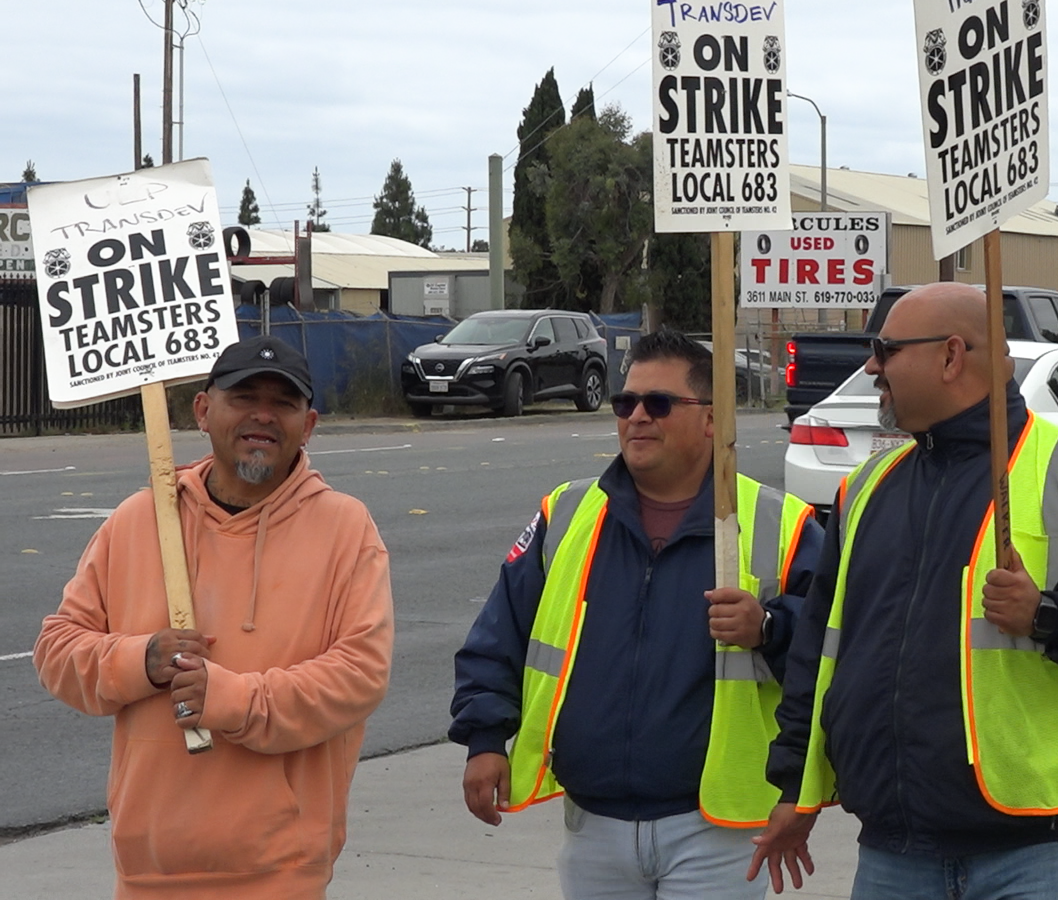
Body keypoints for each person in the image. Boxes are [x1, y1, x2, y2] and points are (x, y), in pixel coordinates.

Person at [750, 283, 1058, 899]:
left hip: (1034, 849)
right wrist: (793, 787)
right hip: (894, 846)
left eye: (885, 349)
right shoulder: (866, 489)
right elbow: (819, 652)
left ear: (951, 355)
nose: (872, 368)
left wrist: (1050, 615)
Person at [450, 328, 823, 899]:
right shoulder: (567, 513)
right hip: (593, 826)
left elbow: (831, 658)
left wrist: (768, 629)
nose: (637, 417)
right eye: (625, 403)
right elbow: (499, 634)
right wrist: (484, 738)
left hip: (716, 832)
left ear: (712, 419)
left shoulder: (781, 524)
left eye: (659, 403)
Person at [36, 337, 394, 898]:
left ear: (308, 425)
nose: (263, 416)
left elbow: (360, 674)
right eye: (244, 397)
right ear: (202, 411)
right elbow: (57, 651)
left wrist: (234, 700)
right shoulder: (138, 520)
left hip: (280, 871)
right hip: (149, 869)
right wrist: (140, 659)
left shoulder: (345, 529)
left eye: (283, 403)